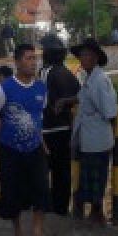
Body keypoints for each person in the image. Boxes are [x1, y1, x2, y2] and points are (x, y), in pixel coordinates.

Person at [0, 43, 52, 236]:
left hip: (34, 147)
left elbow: (38, 118)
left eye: (35, 58)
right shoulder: (4, 89)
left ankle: (37, 233)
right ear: (17, 62)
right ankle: (17, 231)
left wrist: (42, 142)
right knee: (12, 190)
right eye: (28, 58)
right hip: (10, 148)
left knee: (41, 188)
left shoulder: (41, 88)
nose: (33, 63)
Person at [60, 38, 118, 225]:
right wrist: (66, 101)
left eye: (85, 55)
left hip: (98, 139)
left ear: (94, 58)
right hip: (89, 138)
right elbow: (81, 98)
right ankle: (93, 212)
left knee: (96, 178)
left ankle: (97, 213)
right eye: (81, 55)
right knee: (90, 176)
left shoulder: (100, 81)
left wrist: (113, 136)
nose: (82, 59)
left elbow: (110, 111)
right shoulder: (89, 78)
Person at [39, 34, 81, 217]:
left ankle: (46, 206)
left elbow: (41, 99)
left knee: (42, 171)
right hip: (66, 128)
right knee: (62, 172)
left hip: (47, 129)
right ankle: (61, 207)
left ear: (48, 53)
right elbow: (78, 95)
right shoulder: (67, 73)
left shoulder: (46, 72)